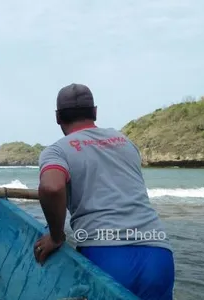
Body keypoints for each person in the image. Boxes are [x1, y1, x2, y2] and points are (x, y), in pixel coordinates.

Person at [33, 83, 175, 299]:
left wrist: (56, 236)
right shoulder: (125, 142)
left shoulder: (57, 150)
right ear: (95, 112)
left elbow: (51, 187)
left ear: (57, 117)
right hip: (158, 251)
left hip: (105, 252)